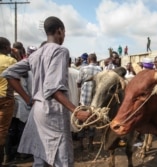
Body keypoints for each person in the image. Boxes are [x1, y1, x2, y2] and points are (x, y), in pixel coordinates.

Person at [1, 16, 91, 167]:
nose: (64, 36)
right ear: (59, 31)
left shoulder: (35, 54)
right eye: (64, 32)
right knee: (63, 159)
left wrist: (28, 98)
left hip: (37, 112)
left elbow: (9, 73)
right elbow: (53, 88)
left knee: (41, 155)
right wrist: (76, 111)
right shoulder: (61, 51)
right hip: (53, 112)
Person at [76, 53, 102, 151]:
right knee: (92, 120)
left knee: (81, 119)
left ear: (88, 60)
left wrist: (83, 85)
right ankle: (90, 144)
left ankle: (81, 144)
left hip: (84, 99)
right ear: (95, 60)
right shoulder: (100, 70)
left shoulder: (83, 69)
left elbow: (78, 83)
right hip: (95, 100)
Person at [0, 37, 17, 166]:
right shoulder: (11, 60)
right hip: (5, 99)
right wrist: (16, 55)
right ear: (6, 47)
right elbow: (21, 77)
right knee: (2, 130)